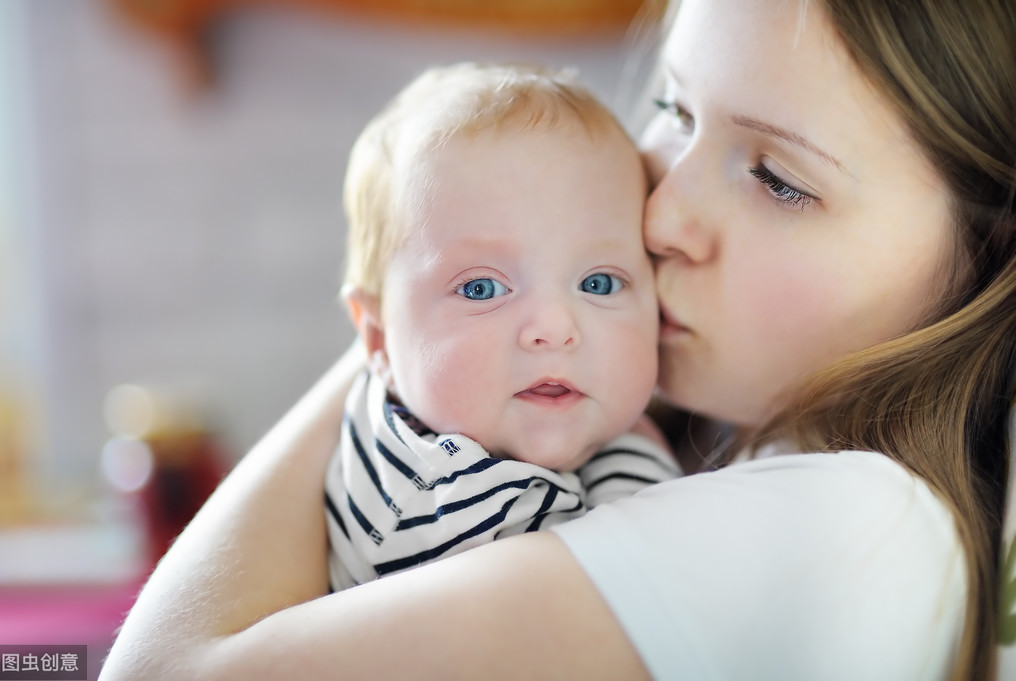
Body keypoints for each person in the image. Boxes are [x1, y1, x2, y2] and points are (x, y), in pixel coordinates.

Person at [99, 0, 1016, 679]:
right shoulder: (676, 454)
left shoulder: (845, 526)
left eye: (777, 179)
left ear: (988, 247)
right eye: (677, 110)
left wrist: (416, 308)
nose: (660, 213)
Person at [325, 62, 678, 590]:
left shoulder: (461, 416)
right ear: (378, 340)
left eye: (599, 283)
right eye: (482, 289)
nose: (555, 329)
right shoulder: (452, 514)